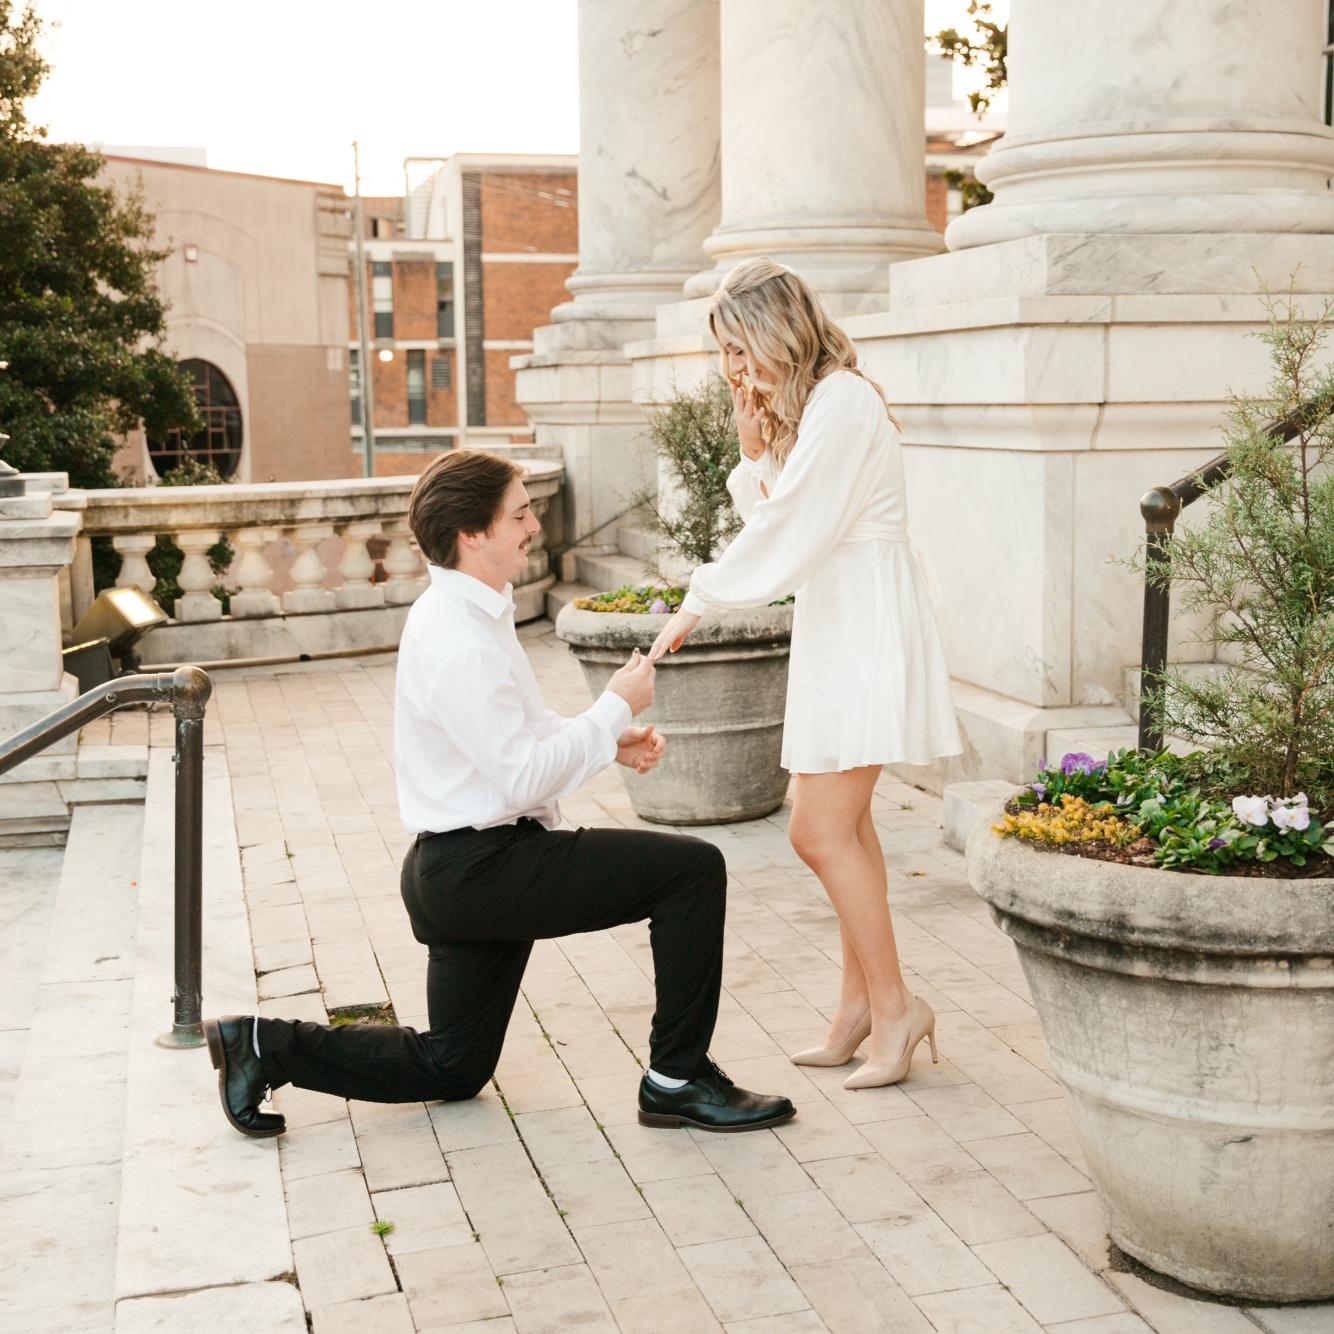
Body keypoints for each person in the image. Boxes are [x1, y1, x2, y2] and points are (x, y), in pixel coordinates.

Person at [204, 449, 794, 1137]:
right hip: (483, 869)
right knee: (691, 872)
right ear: (471, 533)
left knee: (453, 1068)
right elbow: (521, 777)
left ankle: (260, 1045)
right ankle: (677, 1079)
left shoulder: (466, 614)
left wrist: (607, 736)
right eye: (519, 515)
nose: (534, 526)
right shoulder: (459, 637)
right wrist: (612, 707)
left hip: (457, 871)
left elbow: (522, 735)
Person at [649, 259, 963, 1090]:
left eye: (739, 347)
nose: (733, 368)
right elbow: (779, 514)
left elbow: (792, 528)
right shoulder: (818, 406)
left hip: (867, 621)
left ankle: (895, 1010)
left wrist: (699, 600)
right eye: (723, 353)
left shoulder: (844, 401)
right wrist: (755, 447)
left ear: (777, 331)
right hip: (839, 617)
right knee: (846, 827)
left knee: (818, 831)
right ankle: (859, 1006)